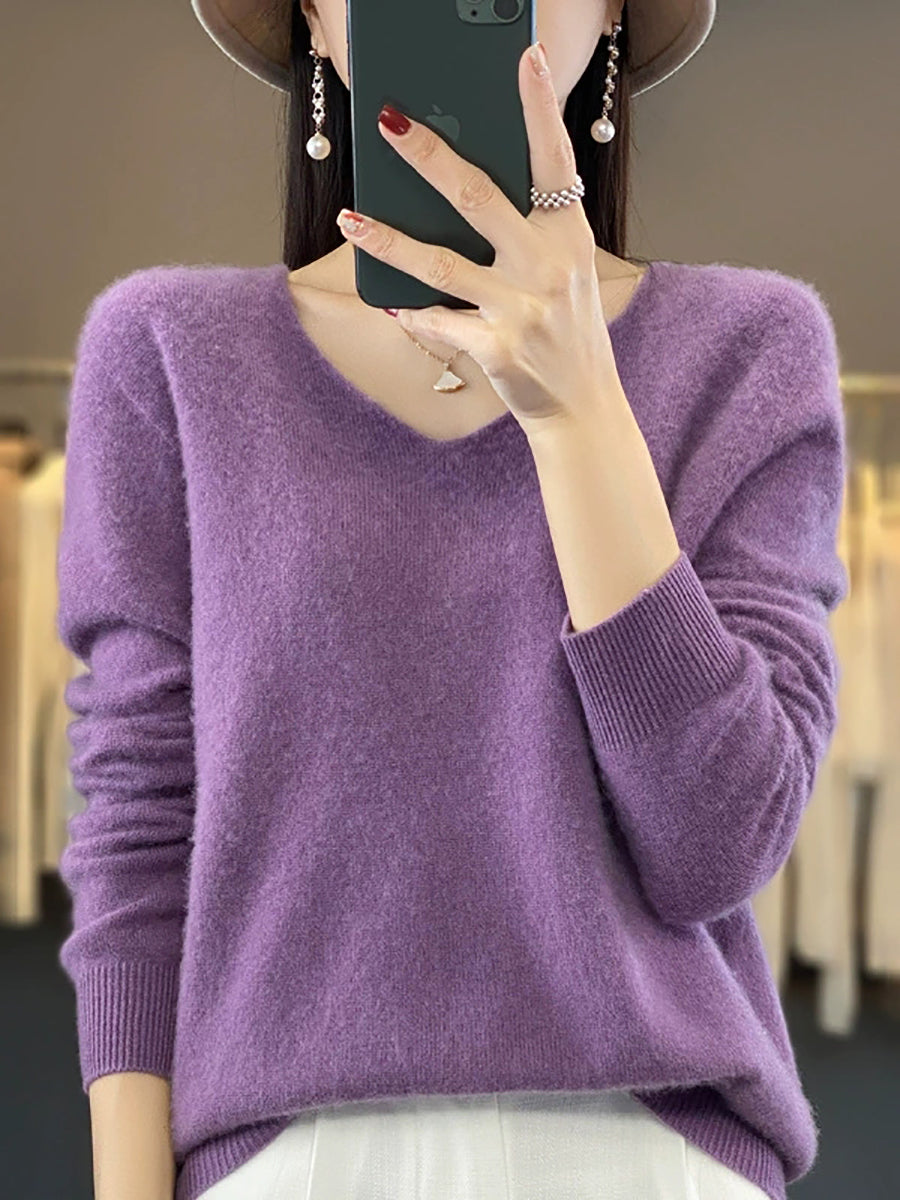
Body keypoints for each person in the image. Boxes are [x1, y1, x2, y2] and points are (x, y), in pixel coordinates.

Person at [55, 2, 849, 1199]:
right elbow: (138, 826)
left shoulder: (750, 348)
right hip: (284, 1159)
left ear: (615, 15)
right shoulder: (166, 353)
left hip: (650, 1150)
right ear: (316, 16)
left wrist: (581, 411)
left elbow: (719, 845)